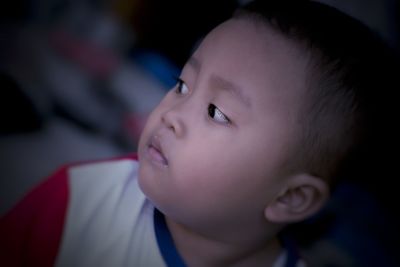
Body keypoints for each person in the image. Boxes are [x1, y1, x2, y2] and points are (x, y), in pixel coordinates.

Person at [1, 1, 397, 266]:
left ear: (291, 196)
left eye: (216, 112)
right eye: (182, 85)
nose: (171, 114)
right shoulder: (83, 201)